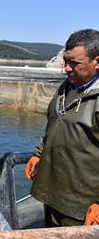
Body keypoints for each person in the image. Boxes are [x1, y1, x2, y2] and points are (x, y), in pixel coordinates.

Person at [25, 29, 99, 227]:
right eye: (65, 61)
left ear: (97, 62)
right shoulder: (67, 86)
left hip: (83, 205)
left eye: (75, 63)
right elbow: (54, 123)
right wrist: (39, 153)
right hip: (52, 192)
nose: (66, 68)